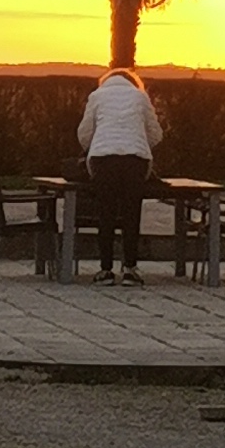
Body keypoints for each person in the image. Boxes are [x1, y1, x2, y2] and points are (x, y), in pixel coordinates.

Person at [76, 60, 164, 285]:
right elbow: (156, 133)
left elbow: (84, 133)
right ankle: (130, 269)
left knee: (105, 213)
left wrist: (94, 147)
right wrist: (140, 143)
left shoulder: (97, 96)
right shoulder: (140, 97)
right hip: (135, 160)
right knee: (131, 213)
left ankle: (105, 269)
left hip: (103, 160)